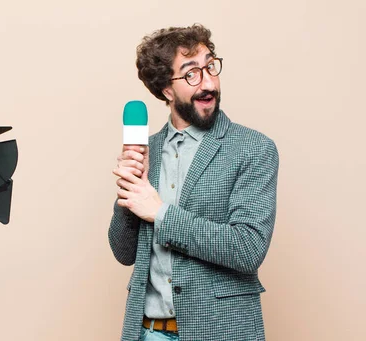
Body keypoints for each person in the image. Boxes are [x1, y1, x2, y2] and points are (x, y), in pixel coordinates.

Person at [109, 24, 279, 341]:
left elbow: (247, 249)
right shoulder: (148, 150)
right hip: (147, 332)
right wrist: (130, 190)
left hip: (221, 331)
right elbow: (123, 252)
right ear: (166, 90)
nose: (209, 83)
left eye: (210, 67)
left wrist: (159, 213)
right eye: (191, 74)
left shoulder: (253, 148)